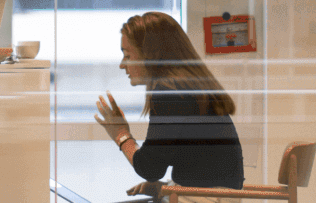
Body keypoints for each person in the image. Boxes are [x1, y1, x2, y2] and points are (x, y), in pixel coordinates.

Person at [95, 11, 244, 201]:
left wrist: (121, 134)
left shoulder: (169, 91)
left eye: (127, 55)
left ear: (148, 54)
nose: (122, 65)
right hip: (210, 195)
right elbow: (200, 162)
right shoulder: (189, 85)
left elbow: (149, 168)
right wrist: (165, 187)